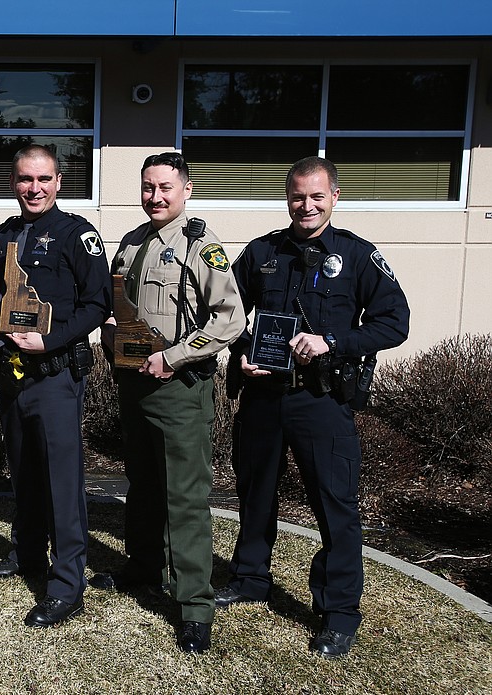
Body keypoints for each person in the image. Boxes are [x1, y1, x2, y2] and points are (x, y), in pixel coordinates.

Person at [219, 156, 409, 659]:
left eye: (316, 196)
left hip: (320, 400)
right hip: (263, 395)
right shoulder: (262, 253)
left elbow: (394, 322)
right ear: (287, 198)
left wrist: (333, 341)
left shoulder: (357, 256)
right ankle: (250, 577)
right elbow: (228, 312)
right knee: (255, 492)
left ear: (335, 197)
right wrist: (241, 357)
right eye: (298, 196)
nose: (306, 205)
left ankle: (338, 611)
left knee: (334, 505)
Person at [102, 152, 245, 653]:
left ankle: (193, 607)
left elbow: (230, 319)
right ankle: (142, 567)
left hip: (180, 390)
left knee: (185, 499)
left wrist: (176, 355)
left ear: (186, 190)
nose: (155, 197)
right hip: (135, 386)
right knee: (141, 485)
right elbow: (123, 309)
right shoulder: (131, 243)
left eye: (165, 187)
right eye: (147, 187)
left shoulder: (201, 245)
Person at [0, 145, 111, 628]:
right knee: (24, 471)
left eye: (44, 179)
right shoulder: (4, 235)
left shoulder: (79, 235)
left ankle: (66, 583)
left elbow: (97, 305)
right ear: (13, 183)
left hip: (54, 377)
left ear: (59, 182)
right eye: (25, 180)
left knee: (61, 481)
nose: (34, 188)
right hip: (11, 377)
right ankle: (27, 553)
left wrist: (49, 339)